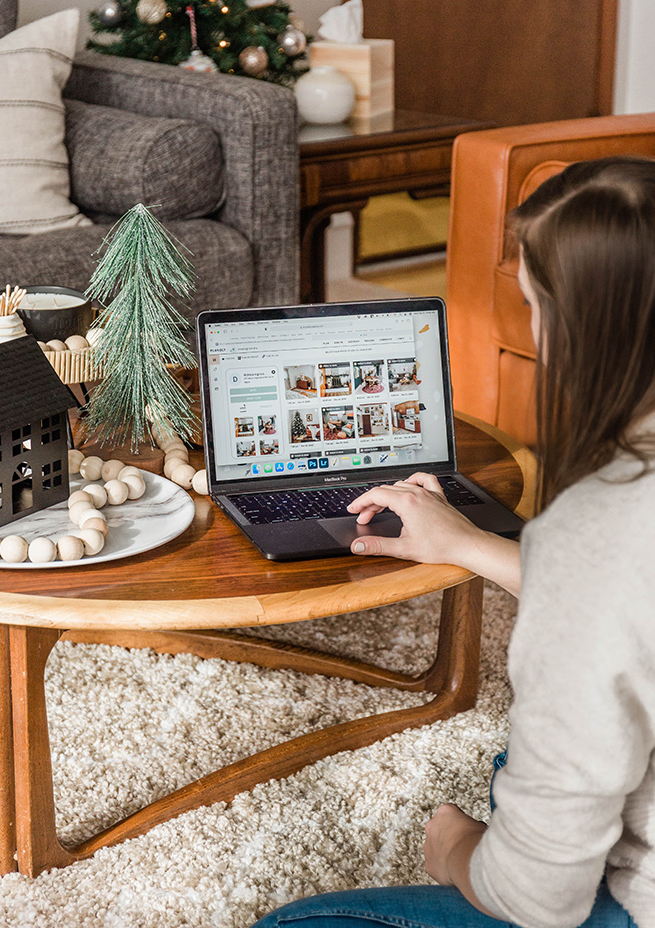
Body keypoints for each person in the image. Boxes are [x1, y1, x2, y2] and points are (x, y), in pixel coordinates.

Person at [252, 158, 655, 928]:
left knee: (295, 926)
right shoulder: (599, 548)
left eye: (535, 305)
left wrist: (457, 848)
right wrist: (469, 544)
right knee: (522, 758)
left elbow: (540, 899)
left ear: (574, 326)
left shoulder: (601, 530)